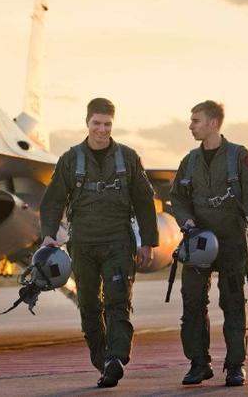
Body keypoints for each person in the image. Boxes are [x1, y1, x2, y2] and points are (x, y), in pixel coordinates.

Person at [39, 98, 159, 388]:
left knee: (118, 301)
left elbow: (144, 201)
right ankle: (103, 360)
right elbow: (53, 201)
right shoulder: (70, 159)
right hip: (83, 245)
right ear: (87, 123)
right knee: (89, 306)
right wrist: (48, 235)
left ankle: (116, 357)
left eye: (107, 124)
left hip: (118, 242)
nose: (102, 130)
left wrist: (148, 242)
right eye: (97, 123)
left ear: (112, 124)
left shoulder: (128, 158)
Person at [169, 100, 248, 387]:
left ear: (213, 123)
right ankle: (198, 364)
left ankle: (235, 365)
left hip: (230, 240)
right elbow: (177, 198)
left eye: (196, 120)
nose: (191, 126)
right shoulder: (189, 161)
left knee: (233, 302)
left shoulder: (239, 156)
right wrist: (186, 221)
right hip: (198, 242)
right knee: (192, 301)